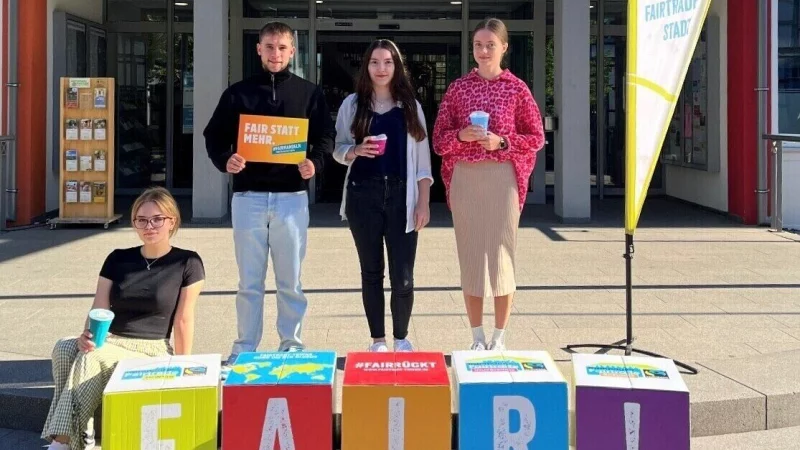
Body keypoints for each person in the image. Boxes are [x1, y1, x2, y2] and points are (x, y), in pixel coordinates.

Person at [204, 22, 335, 368]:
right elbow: (214, 136)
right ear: (259, 49)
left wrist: (315, 163)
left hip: (291, 198)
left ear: (293, 51)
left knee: (290, 280)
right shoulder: (238, 93)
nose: (276, 54)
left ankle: (291, 344)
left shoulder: (309, 93)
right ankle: (245, 346)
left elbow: (325, 137)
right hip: (248, 197)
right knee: (249, 281)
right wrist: (225, 159)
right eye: (269, 47)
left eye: (282, 48)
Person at [41, 187, 205, 450]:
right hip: (112, 338)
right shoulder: (118, 258)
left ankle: (63, 442)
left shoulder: (187, 262)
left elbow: (184, 319)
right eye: (141, 220)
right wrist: (88, 335)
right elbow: (99, 308)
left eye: (157, 219)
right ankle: (81, 435)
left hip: (151, 347)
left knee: (92, 357)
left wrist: (181, 371)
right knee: (65, 347)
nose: (148, 226)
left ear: (172, 221)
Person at [432, 18, 545, 351]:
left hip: (501, 178)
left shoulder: (516, 89)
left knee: (501, 254)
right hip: (466, 176)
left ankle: (500, 336)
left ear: (504, 48)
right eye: (478, 45)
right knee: (470, 254)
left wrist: (502, 142)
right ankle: (476, 336)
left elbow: (536, 136)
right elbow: (438, 140)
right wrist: (460, 135)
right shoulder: (458, 88)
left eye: (490, 45)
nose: (483, 51)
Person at [333, 40, 433, 352]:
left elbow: (423, 160)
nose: (381, 69)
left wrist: (423, 201)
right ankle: (377, 339)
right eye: (375, 62)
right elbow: (337, 149)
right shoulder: (352, 104)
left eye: (387, 62)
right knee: (371, 272)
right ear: (366, 67)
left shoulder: (410, 107)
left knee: (403, 275)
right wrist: (355, 150)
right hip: (363, 194)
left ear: (396, 67)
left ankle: (402, 338)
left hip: (401, 195)